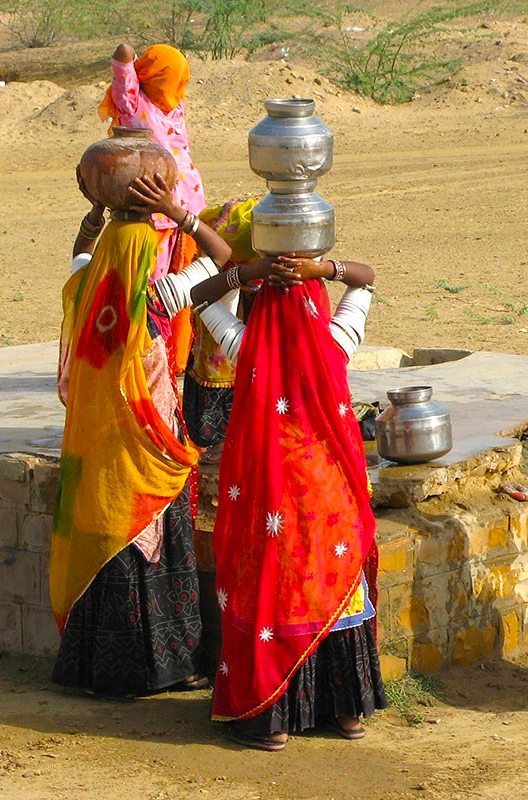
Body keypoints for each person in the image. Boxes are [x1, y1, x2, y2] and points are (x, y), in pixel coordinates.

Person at [152, 242, 386, 751]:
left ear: (262, 302)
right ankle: (344, 713)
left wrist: (245, 274)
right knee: (332, 591)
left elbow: (195, 297)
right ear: (319, 303)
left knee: (274, 590)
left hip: (272, 502)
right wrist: (324, 268)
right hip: (330, 501)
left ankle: (272, 720)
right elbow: (365, 279)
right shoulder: (337, 341)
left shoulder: (244, 346)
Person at [48, 173, 230, 698]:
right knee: (154, 556)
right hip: (148, 458)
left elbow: (81, 255)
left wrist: (94, 223)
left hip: (98, 461)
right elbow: (218, 255)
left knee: (107, 554)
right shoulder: (153, 302)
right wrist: (178, 212)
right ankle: (162, 669)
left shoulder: (86, 293)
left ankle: (95, 670)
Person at [99, 42, 206, 283]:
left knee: (183, 282)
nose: (176, 84)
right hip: (153, 207)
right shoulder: (133, 103)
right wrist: (136, 65)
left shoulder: (176, 107)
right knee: (152, 284)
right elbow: (123, 56)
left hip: (186, 204)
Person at [181, 199, 259, 463]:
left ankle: (225, 442)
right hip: (222, 348)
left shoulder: (227, 277)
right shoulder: (240, 277)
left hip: (225, 352)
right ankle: (225, 440)